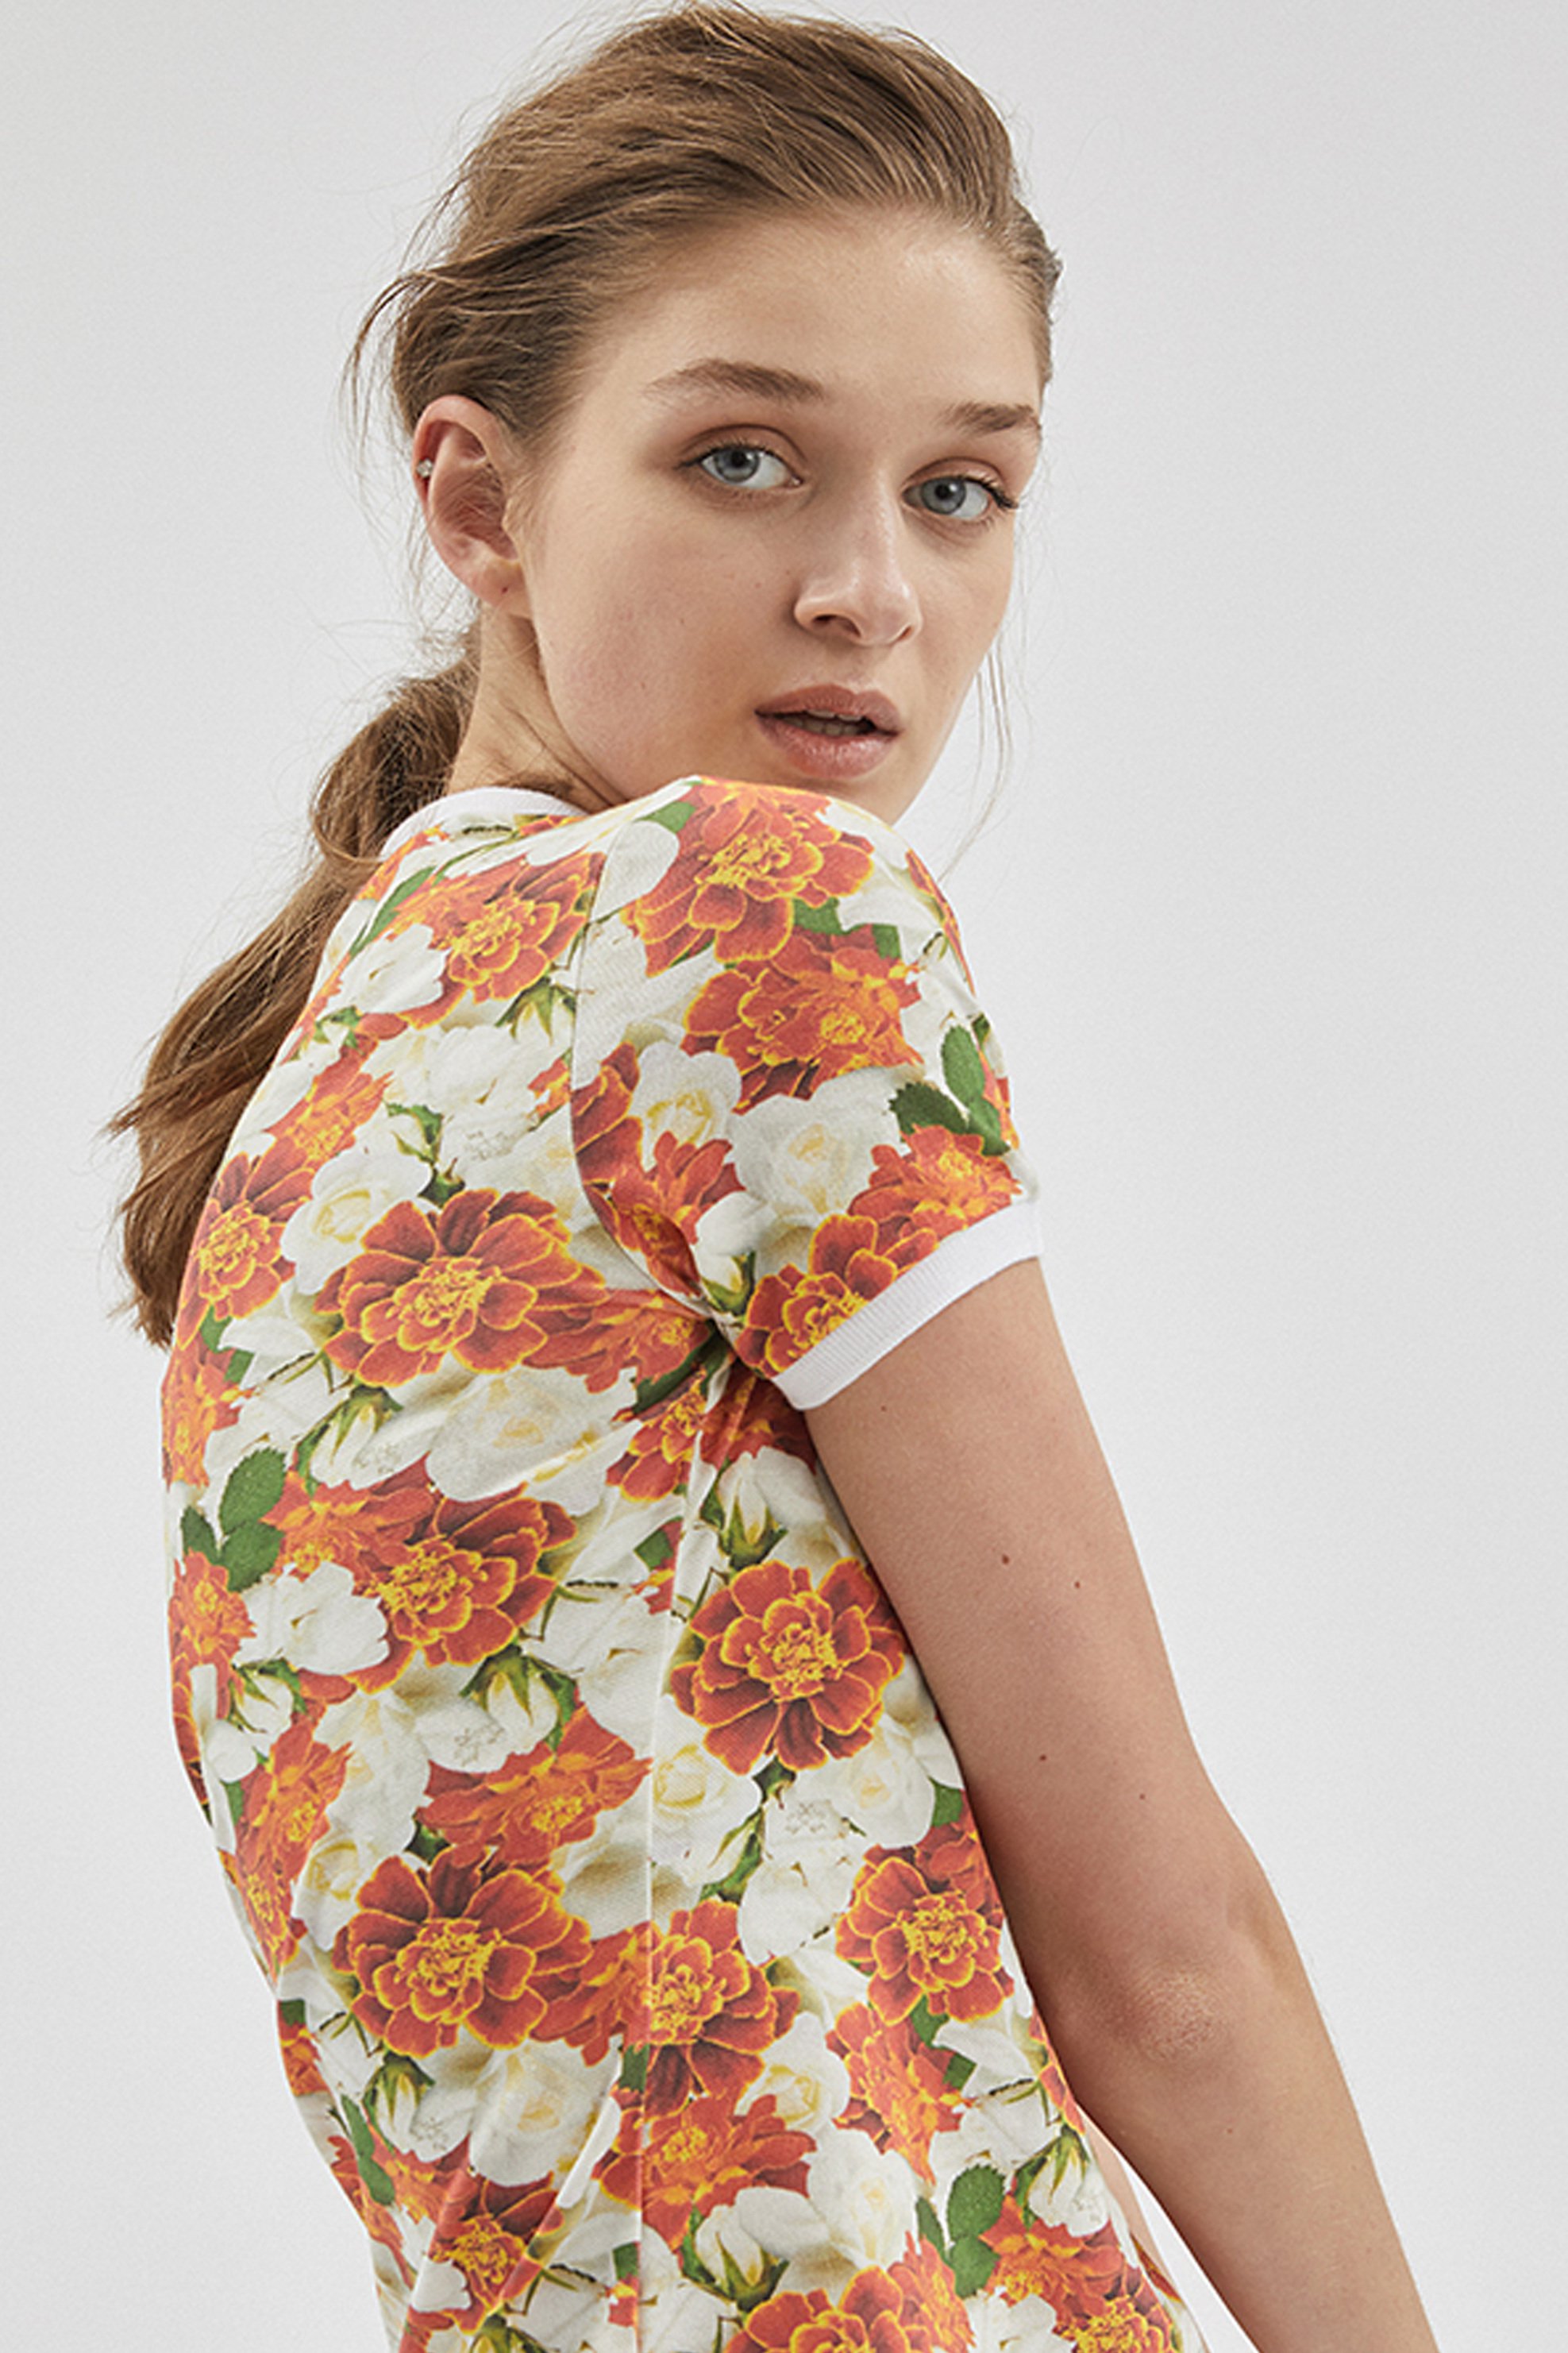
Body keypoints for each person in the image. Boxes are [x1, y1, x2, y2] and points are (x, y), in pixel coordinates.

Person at [115, 8, 1440, 2351]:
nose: (869, 589)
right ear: (479, 502)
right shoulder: (758, 918)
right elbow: (1165, 1955)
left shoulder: (322, 1071)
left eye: (962, 487)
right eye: (745, 458)